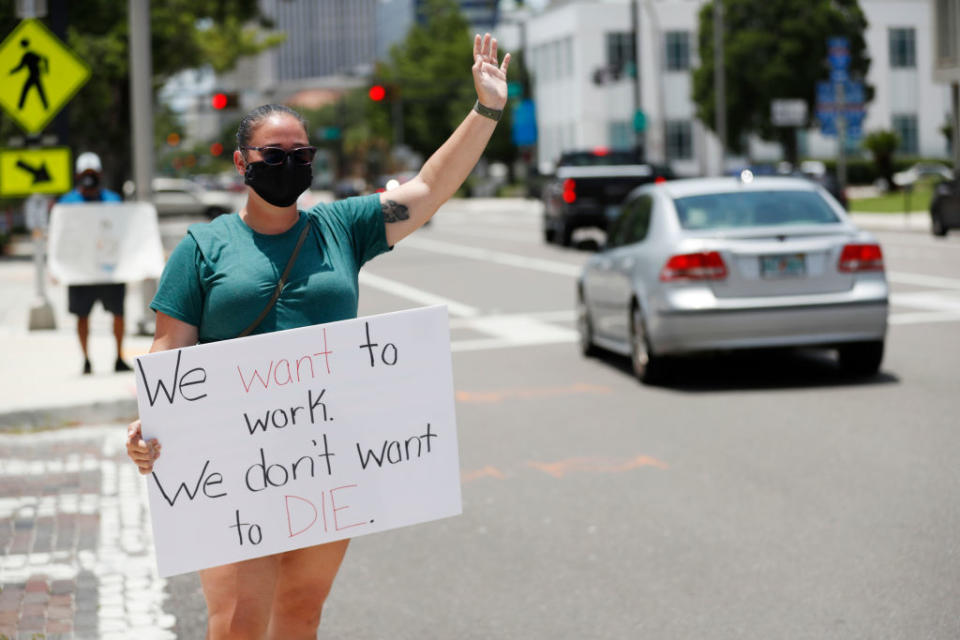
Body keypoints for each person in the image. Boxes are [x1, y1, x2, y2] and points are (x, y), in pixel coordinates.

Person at [126, 33, 509, 639]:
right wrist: (152, 424)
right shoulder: (203, 247)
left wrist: (485, 110)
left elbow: (430, 188)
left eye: (299, 154)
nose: (288, 165)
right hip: (232, 465)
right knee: (236, 625)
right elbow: (169, 348)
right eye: (272, 155)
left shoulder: (344, 227)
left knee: (301, 615)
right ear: (242, 162)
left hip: (324, 462)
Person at [59, 152, 133, 375]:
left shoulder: (113, 200)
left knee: (118, 314)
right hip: (81, 272)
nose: (89, 178)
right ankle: (86, 360)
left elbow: (124, 233)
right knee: (82, 316)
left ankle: (119, 357)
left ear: (99, 174)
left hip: (109, 271)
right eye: (85, 174)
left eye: (92, 174)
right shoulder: (67, 203)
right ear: (78, 175)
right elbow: (61, 239)